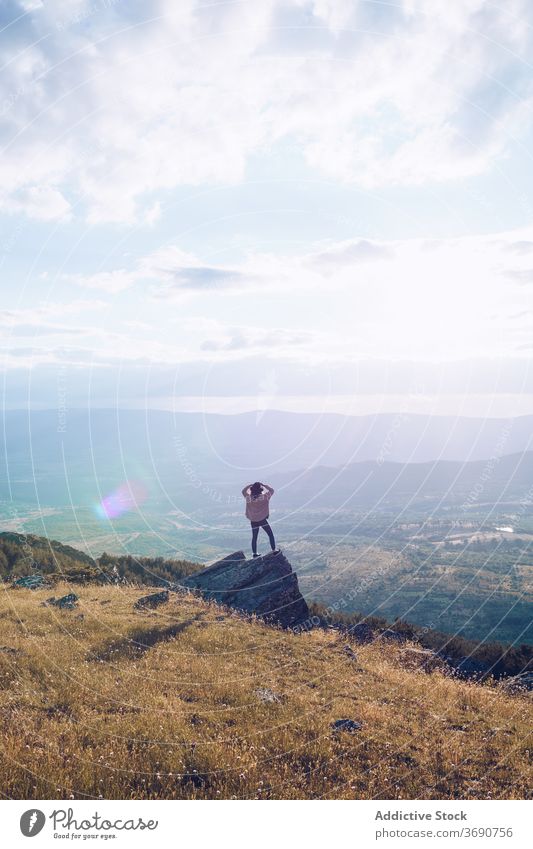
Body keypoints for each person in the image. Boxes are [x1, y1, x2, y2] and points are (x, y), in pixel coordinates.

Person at [241, 481, 279, 558]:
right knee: (270, 534)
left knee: (254, 537)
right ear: (260, 490)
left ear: (252, 489)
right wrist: (264, 485)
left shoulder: (248, 498)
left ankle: (254, 553)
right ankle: (274, 550)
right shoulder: (265, 497)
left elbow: (243, 491)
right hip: (262, 520)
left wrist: (250, 485)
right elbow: (272, 490)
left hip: (253, 520)